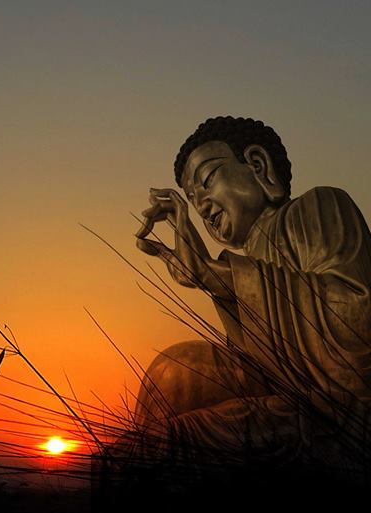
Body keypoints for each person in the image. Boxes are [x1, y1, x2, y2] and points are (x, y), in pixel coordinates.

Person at [131, 116, 371, 470]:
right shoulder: (249, 260)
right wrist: (208, 277)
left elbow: (356, 320)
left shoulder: (318, 208)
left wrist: (215, 275)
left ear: (258, 166)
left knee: (164, 446)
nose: (201, 206)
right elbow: (259, 365)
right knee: (174, 374)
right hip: (282, 394)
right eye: (193, 200)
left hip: (338, 409)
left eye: (207, 181)